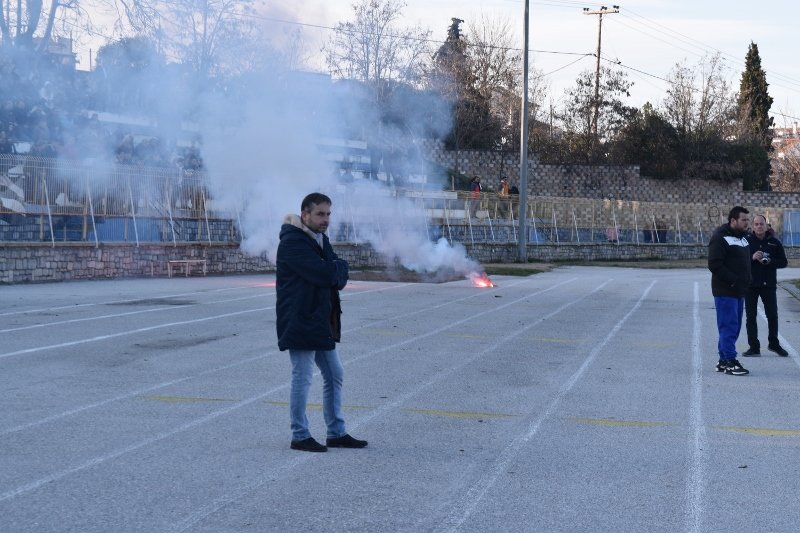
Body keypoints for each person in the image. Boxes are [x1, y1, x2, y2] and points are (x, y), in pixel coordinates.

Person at [276, 192, 368, 452]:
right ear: (305, 215)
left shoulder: (319, 239)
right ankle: (300, 435)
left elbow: (336, 274)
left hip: (319, 320)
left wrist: (336, 269)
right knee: (302, 377)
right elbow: (327, 273)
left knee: (334, 373)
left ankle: (336, 432)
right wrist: (336, 268)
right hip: (300, 319)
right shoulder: (293, 242)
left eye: (328, 214)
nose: (326, 219)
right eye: (320, 214)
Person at [708, 206, 752, 375]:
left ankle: (723, 361)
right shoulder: (720, 237)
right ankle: (730, 361)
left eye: (748, 220)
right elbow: (714, 264)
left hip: (739, 291)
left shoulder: (743, 238)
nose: (747, 223)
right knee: (729, 327)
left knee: (735, 326)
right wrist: (733, 281)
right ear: (733, 221)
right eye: (744, 220)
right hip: (726, 291)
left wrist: (747, 279)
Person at [742, 214, 789, 357]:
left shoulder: (774, 242)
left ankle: (773, 344)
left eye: (761, 224)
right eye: (756, 224)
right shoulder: (746, 241)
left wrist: (770, 261)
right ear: (752, 226)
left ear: (766, 225)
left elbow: (783, 262)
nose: (759, 226)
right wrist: (751, 257)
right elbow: (739, 262)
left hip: (768, 285)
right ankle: (754, 347)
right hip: (751, 285)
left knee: (773, 315)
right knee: (751, 316)